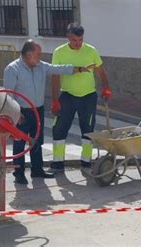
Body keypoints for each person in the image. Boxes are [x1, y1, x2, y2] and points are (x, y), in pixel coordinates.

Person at [3, 39, 93, 185]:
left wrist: (81, 69)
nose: (40, 57)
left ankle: (37, 170)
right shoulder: (12, 69)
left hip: (37, 109)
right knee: (19, 143)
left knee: (37, 141)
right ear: (28, 54)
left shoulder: (41, 66)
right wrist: (15, 114)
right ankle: (18, 173)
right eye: (38, 54)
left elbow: (59, 69)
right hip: (21, 113)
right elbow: (8, 95)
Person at [49, 23, 111, 173]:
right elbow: (55, 76)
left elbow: (101, 71)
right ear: (68, 38)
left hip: (88, 96)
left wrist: (106, 88)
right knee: (59, 128)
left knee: (87, 129)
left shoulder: (91, 51)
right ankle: (57, 163)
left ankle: (86, 162)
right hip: (67, 96)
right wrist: (55, 99)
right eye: (74, 40)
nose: (78, 43)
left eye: (80, 40)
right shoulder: (59, 52)